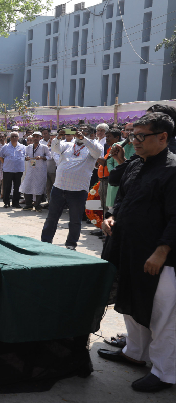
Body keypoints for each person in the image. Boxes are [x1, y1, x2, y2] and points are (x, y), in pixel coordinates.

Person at [98, 112, 176, 393]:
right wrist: (112, 217)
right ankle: (134, 352)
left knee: (161, 315)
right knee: (130, 303)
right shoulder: (135, 165)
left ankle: (165, 372)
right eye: (134, 135)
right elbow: (123, 199)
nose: (135, 141)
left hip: (158, 257)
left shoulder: (172, 170)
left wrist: (162, 251)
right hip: (127, 248)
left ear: (163, 137)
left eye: (141, 136)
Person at [41, 128, 102, 250]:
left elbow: (96, 153)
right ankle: (45, 242)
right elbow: (55, 148)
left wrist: (83, 139)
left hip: (78, 191)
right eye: (78, 132)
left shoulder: (94, 147)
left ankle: (71, 244)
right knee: (52, 218)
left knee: (75, 220)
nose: (79, 134)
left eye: (83, 133)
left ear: (90, 135)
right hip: (59, 188)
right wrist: (59, 136)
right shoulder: (67, 145)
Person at [19, 132, 50, 212]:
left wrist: (41, 157)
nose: (35, 138)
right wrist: (27, 158)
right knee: (27, 186)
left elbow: (49, 157)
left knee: (39, 187)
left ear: (40, 138)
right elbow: (24, 156)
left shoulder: (44, 147)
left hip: (40, 171)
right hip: (30, 170)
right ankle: (28, 204)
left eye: (37, 137)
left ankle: (37, 205)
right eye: (34, 137)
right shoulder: (29, 147)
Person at [0, 132, 25, 208]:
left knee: (17, 187)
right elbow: (0, 156)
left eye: (15, 136)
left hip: (19, 170)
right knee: (7, 187)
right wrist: (6, 163)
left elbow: (26, 156)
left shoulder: (22, 147)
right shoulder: (5, 147)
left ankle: (15, 203)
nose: (14, 138)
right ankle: (6, 202)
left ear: (18, 138)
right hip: (8, 170)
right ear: (10, 137)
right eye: (12, 136)